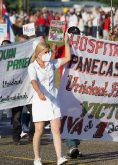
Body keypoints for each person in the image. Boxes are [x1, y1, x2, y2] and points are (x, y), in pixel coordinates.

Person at [28, 34, 71, 165]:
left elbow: (67, 58)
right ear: (38, 53)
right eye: (45, 52)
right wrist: (39, 92)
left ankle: (60, 158)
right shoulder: (32, 67)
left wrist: (66, 42)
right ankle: (37, 158)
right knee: (39, 130)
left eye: (48, 51)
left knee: (56, 129)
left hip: (53, 100)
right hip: (40, 101)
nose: (48, 54)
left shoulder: (51, 64)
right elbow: (33, 81)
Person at [54, 26, 83, 159]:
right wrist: (54, 49)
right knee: (67, 118)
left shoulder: (84, 50)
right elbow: (52, 61)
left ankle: (74, 145)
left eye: (76, 35)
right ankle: (72, 146)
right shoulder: (62, 49)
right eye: (72, 35)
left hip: (82, 89)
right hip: (66, 90)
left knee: (80, 118)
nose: (74, 38)